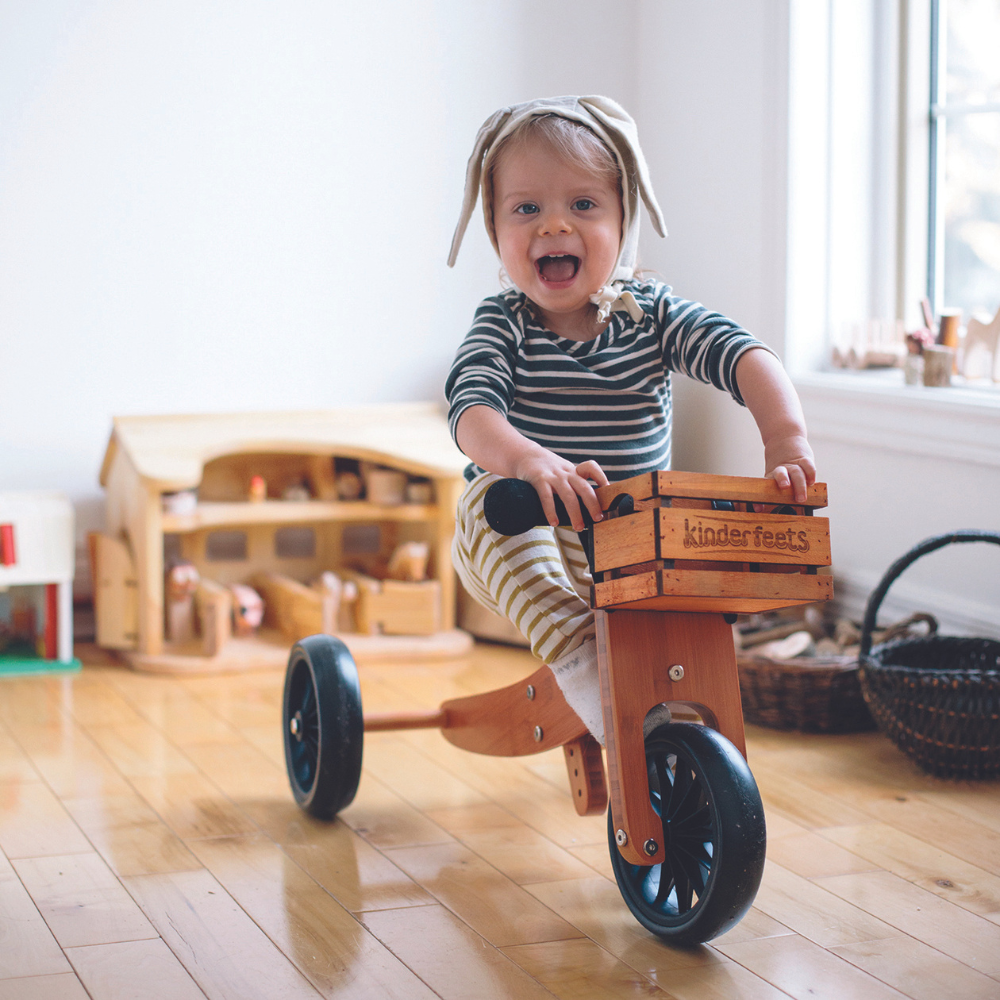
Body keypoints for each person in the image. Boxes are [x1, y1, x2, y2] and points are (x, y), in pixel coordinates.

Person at [445, 96, 815, 743]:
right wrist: (527, 460)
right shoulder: (503, 322)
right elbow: (471, 411)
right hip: (523, 524)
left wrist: (786, 441)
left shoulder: (652, 314)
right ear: (495, 228)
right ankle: (586, 657)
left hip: (626, 547)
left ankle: (684, 716)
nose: (554, 225)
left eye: (583, 205)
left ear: (624, 219)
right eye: (526, 208)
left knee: (693, 534)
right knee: (482, 508)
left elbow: (748, 357)